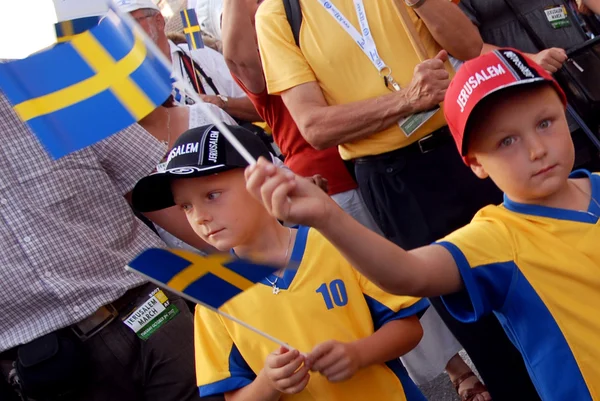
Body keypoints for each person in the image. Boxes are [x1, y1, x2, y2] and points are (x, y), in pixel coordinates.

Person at [245, 48, 600, 401]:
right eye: (507, 141)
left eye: (545, 123)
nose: (537, 149)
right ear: (475, 163)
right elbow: (407, 274)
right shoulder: (496, 238)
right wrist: (326, 217)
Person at [131, 124, 429, 401]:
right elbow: (231, 395)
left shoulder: (334, 243)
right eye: (186, 206)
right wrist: (268, 384)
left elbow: (409, 328)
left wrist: (358, 354)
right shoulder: (213, 295)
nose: (199, 216)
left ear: (264, 180)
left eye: (212, 195)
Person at [0, 90, 206, 400]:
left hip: (149, 314)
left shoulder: (48, 84)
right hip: (46, 369)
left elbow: (155, 192)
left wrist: (261, 259)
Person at [220, 0, 380, 235]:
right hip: (331, 182)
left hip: (385, 155)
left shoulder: (316, 25)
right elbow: (237, 58)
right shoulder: (263, 64)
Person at [116, 0, 261, 123]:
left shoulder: (198, 56)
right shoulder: (131, 84)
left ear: (158, 21)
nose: (126, 30)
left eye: (131, 22)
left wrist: (223, 103)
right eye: (121, 25)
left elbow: (260, 106)